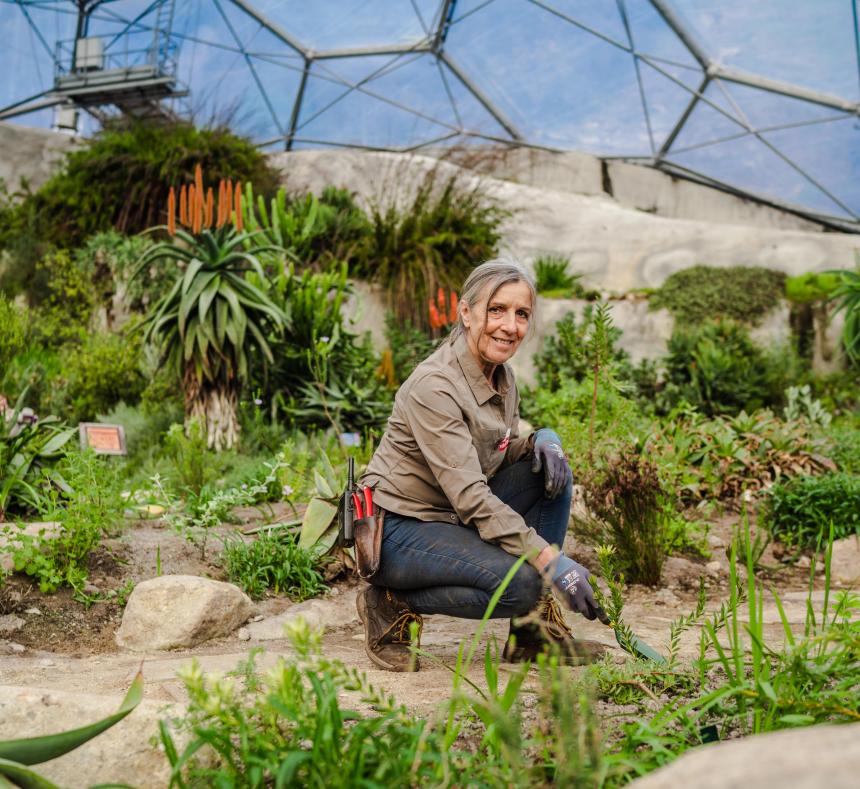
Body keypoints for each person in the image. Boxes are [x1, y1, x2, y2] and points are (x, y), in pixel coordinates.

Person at [357, 258, 607, 672]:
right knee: (525, 584)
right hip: (400, 528)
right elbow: (473, 496)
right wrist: (551, 561)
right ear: (466, 313)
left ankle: (532, 637)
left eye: (521, 313)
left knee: (550, 475)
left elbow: (492, 456)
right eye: (497, 310)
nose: (509, 326)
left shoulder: (501, 378)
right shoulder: (434, 387)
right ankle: (388, 601)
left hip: (450, 516)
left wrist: (544, 441)